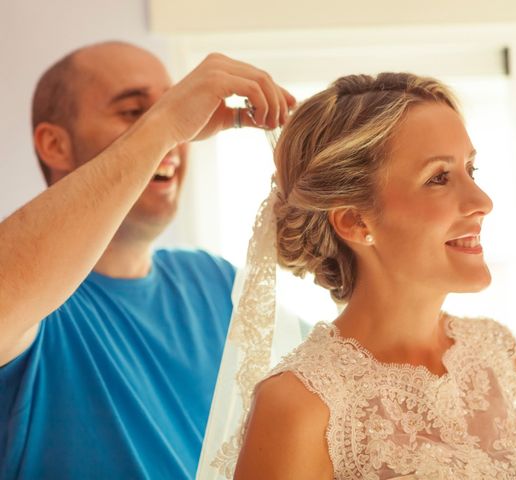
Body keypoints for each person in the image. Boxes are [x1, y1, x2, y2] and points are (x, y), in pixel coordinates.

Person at [232, 73, 516, 479]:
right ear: (354, 221)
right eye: (439, 177)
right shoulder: (300, 403)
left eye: (470, 170)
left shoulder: (499, 356)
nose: (482, 201)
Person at [0, 41, 295, 479]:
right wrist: (165, 122)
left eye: (175, 106)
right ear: (54, 144)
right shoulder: (40, 305)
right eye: (133, 111)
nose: (181, 136)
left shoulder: (212, 280)